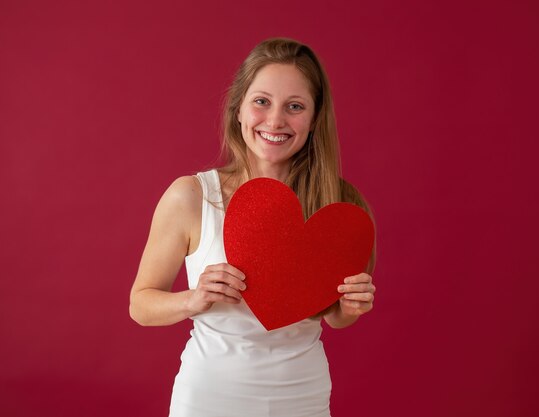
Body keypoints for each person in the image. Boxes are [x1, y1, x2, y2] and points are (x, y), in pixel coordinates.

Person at [129, 37, 377, 417]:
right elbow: (140, 304)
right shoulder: (191, 196)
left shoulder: (340, 204)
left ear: (313, 120)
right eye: (261, 102)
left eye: (294, 107)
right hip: (208, 399)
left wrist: (350, 306)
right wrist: (194, 299)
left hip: (303, 398)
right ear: (239, 109)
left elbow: (334, 317)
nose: (275, 120)